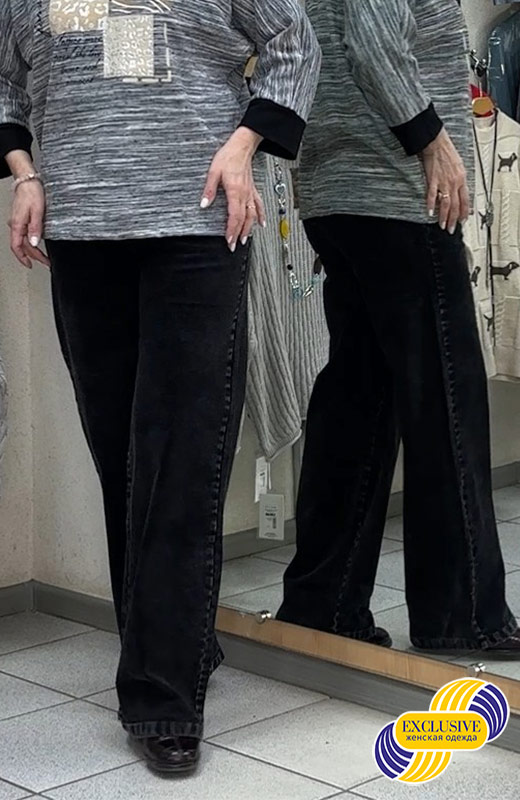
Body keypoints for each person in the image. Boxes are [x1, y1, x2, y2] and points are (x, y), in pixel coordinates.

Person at [0, 0, 320, 774]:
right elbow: (6, 81)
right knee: (123, 460)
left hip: (196, 228)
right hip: (82, 234)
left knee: (181, 458)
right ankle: (180, 642)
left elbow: (293, 45)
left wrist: (243, 145)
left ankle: (161, 696)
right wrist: (24, 174)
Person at [278, 0, 520, 655]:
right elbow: (372, 37)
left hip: (337, 188)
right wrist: (432, 142)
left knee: (358, 403)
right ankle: (463, 616)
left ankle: (323, 603)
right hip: (398, 190)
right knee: (447, 405)